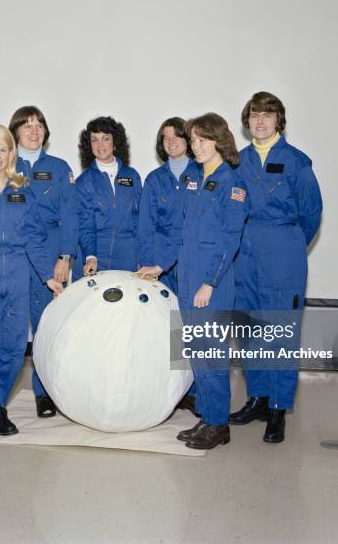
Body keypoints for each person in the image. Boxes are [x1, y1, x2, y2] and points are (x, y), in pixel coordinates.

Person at [0, 106, 78, 419]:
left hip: (18, 279)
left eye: (2, 150)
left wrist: (50, 276)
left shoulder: (23, 192)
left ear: (11, 154)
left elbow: (34, 238)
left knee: (12, 349)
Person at [138, 113, 247, 449]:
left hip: (209, 284)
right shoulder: (193, 180)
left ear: (219, 141)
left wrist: (209, 284)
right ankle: (209, 417)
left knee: (211, 354)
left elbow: (230, 240)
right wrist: (160, 265)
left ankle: (218, 424)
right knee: (196, 353)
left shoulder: (232, 184)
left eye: (202, 140)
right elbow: (179, 234)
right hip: (185, 277)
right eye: (193, 140)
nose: (195, 147)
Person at [229, 91, 322, 443]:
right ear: (247, 120)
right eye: (254, 115)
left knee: (280, 331)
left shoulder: (297, 161)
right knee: (251, 331)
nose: (260, 121)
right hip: (245, 253)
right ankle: (258, 398)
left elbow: (311, 214)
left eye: (268, 115)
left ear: (278, 121)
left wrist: (290, 244)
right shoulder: (239, 161)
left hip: (283, 253)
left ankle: (279, 408)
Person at [74, 116, 142, 278]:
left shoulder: (132, 176)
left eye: (105, 139)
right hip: (98, 256)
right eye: (94, 140)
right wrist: (90, 257)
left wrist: (142, 256)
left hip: (129, 256)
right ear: (88, 144)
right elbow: (85, 224)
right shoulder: (84, 181)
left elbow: (140, 220)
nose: (100, 145)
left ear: (115, 142)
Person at [138, 117, 195, 293]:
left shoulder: (202, 174)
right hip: (160, 260)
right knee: (165, 316)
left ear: (187, 140)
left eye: (177, 136)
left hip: (192, 256)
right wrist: (147, 262)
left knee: (193, 316)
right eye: (166, 137)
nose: (171, 142)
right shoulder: (154, 179)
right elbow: (145, 225)